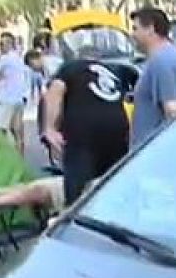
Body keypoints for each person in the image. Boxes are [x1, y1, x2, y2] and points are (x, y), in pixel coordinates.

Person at [41, 46, 130, 205]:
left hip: (84, 131)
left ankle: (75, 215)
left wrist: (50, 128)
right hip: (117, 131)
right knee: (113, 183)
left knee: (77, 187)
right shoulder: (111, 73)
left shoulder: (71, 67)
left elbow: (54, 92)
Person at [129, 7, 176, 147]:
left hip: (153, 155)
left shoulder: (161, 60)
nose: (132, 34)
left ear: (150, 28)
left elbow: (173, 111)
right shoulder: (173, 55)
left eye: (135, 28)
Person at [0, 32, 31, 154]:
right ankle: (20, 158)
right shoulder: (18, 58)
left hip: (6, 99)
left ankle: (4, 156)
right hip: (18, 98)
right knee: (17, 131)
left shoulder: (4, 59)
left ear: (9, 44)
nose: (0, 46)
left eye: (2, 43)